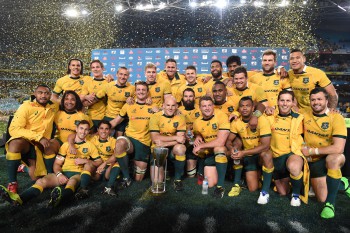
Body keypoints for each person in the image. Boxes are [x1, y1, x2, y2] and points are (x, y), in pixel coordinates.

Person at [0, 120, 102, 207]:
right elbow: (57, 164)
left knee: (72, 183)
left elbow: (98, 162)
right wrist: (59, 174)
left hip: (77, 174)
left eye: (86, 129)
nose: (83, 131)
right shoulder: (66, 145)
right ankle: (19, 199)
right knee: (41, 181)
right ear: (76, 129)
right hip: (64, 172)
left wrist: (85, 161)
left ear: (88, 131)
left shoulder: (90, 146)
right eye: (81, 128)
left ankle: (59, 199)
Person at [300, 87, 348, 219]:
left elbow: (339, 148)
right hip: (314, 161)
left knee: (333, 159)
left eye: (320, 99)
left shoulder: (336, 118)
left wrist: (311, 151)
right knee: (321, 197)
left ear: (327, 101)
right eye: (313, 100)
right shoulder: (305, 114)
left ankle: (330, 204)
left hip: (328, 157)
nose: (316, 102)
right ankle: (342, 183)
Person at [4, 84, 59, 193]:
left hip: (41, 147)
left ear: (50, 95)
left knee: (36, 178)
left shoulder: (54, 106)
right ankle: (12, 183)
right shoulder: (26, 107)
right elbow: (14, 129)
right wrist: (39, 137)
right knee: (14, 144)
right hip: (28, 143)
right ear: (35, 94)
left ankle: (23, 167)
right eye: (40, 92)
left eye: (47, 93)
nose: (43, 95)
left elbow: (70, 102)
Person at [106, 81, 159, 183]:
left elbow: (167, 113)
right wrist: (100, 129)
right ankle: (126, 177)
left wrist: (159, 110)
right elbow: (116, 121)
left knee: (138, 179)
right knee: (120, 143)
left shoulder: (154, 106)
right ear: (135, 91)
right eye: (138, 89)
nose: (141, 92)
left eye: (143, 90)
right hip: (129, 138)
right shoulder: (129, 104)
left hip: (144, 142)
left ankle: (129, 165)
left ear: (148, 92)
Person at [225, 97, 273, 204]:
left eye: (248, 106)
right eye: (242, 106)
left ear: (253, 108)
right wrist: (231, 148)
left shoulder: (262, 120)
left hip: (260, 154)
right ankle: (242, 182)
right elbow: (228, 141)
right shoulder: (236, 122)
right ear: (239, 109)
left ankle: (265, 192)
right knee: (252, 188)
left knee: (267, 154)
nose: (245, 108)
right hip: (249, 156)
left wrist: (244, 153)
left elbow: (265, 146)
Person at [265, 90, 309, 206]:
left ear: (293, 103)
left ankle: (295, 195)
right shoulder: (269, 116)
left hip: (291, 155)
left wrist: (332, 111)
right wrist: (265, 110)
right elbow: (256, 115)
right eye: (282, 100)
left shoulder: (300, 118)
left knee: (294, 167)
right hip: (274, 158)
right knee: (283, 192)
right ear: (278, 102)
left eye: (288, 101)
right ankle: (284, 179)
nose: (285, 104)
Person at [192, 96, 230, 198]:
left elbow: (221, 142)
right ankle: (211, 173)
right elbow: (197, 134)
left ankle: (220, 187)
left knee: (219, 149)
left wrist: (201, 146)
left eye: (209, 105)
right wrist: (197, 137)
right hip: (210, 154)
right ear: (199, 108)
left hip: (226, 151)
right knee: (209, 184)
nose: (207, 108)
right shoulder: (197, 122)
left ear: (213, 106)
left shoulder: (221, 116)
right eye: (204, 106)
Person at [149, 96, 187, 191]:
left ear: (176, 106)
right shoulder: (155, 117)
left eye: (173, 105)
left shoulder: (180, 117)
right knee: (156, 183)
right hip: (158, 149)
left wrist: (165, 143)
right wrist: (175, 137)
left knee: (181, 148)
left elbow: (181, 139)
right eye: (168, 105)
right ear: (163, 106)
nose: (170, 108)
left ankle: (177, 179)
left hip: (171, 148)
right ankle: (163, 172)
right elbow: (155, 138)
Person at [95, 67, 135, 137]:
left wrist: (132, 101)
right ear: (116, 74)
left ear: (128, 76)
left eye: (125, 75)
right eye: (121, 74)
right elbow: (96, 98)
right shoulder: (108, 86)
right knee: (101, 137)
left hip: (123, 118)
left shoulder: (132, 88)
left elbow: (137, 103)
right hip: (109, 116)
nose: (123, 77)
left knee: (119, 140)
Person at [178, 88, 202, 179]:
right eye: (186, 96)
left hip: (197, 139)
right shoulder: (178, 110)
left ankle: (200, 169)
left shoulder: (200, 109)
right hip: (184, 140)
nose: (188, 98)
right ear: (182, 98)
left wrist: (191, 131)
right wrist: (187, 131)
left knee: (191, 175)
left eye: (190, 96)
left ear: (194, 97)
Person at [80, 60, 110, 130]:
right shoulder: (88, 82)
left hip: (106, 116)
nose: (95, 69)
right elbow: (82, 99)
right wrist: (86, 96)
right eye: (93, 67)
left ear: (103, 68)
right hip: (91, 117)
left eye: (97, 67)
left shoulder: (109, 81)